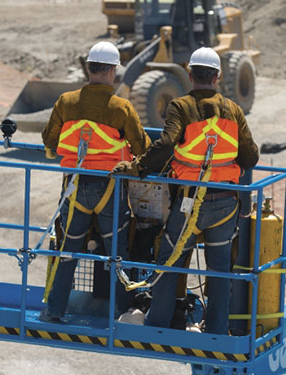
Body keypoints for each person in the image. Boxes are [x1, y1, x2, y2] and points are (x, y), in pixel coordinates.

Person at [111, 47, 259, 334]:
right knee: (219, 271)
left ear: (190, 75)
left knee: (170, 262)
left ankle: (157, 325)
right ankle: (215, 330)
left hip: (189, 202)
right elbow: (250, 157)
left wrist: (137, 167)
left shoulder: (181, 106)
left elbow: (166, 144)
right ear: (217, 77)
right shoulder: (234, 110)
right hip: (225, 202)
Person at [40, 41, 150, 323]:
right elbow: (142, 147)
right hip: (110, 189)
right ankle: (120, 314)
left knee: (68, 251)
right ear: (113, 71)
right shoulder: (121, 108)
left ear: (89, 68)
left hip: (74, 189)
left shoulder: (66, 102)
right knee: (117, 254)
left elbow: (50, 140)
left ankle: (54, 311)